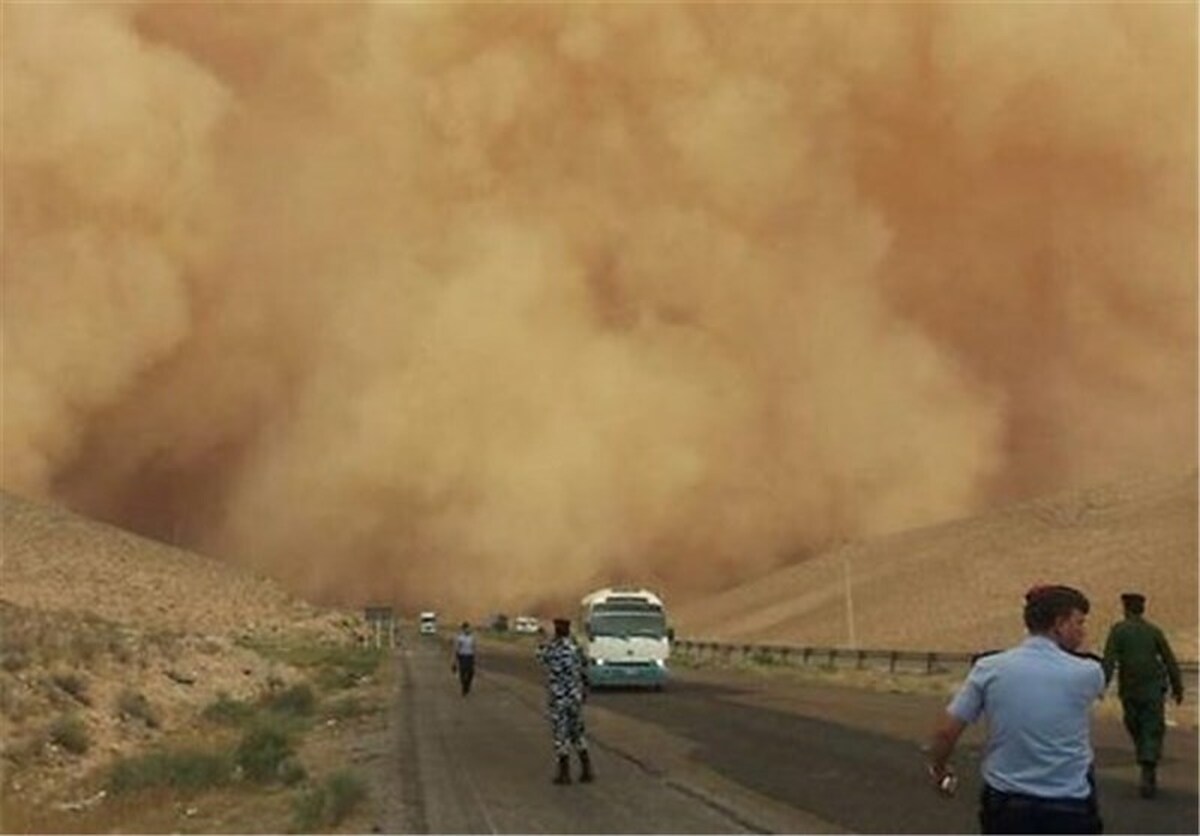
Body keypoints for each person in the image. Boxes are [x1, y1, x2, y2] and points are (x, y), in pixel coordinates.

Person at [926, 585, 1105, 834]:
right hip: (1068, 803)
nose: (1082, 632)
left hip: (1007, 803)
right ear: (1060, 623)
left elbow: (946, 731)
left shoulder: (989, 669)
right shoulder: (1089, 673)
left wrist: (939, 768)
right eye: (1079, 623)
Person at [1101, 592, 1184, 799]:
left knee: (1136, 724)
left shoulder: (1119, 631)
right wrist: (1178, 687)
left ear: (1125, 608)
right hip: (1152, 689)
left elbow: (1109, 660)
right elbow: (1169, 660)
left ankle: (1147, 764)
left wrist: (1101, 684)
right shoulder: (1153, 631)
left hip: (1132, 689)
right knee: (1150, 726)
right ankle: (1148, 759)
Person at [536, 618, 593, 784]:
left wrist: (544, 640)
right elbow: (585, 666)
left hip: (559, 698)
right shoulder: (576, 649)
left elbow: (539, 656)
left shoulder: (553, 650)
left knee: (561, 734)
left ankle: (564, 774)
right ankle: (586, 770)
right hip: (575, 697)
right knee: (578, 733)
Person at [451, 622, 476, 696]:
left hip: (470, 656)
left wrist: (475, 658)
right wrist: (454, 661)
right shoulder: (460, 638)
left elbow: (474, 647)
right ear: (463, 629)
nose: (468, 629)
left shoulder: (472, 637)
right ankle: (464, 687)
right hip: (462, 656)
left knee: (471, 673)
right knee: (463, 672)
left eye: (469, 628)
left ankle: (467, 685)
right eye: (467, 628)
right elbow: (456, 648)